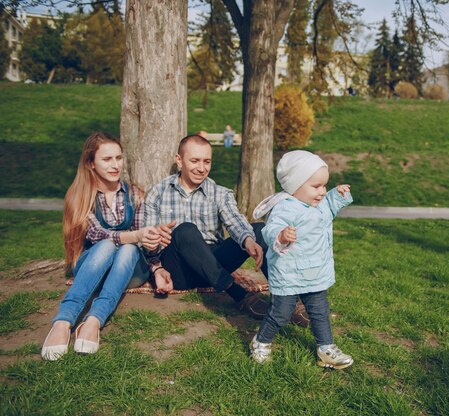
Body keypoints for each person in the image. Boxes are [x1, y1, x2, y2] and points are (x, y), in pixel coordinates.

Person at [143, 134, 308, 325]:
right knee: (186, 230)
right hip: (178, 270)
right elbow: (147, 245)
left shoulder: (219, 193)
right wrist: (155, 238)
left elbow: (235, 220)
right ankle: (242, 296)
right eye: (194, 161)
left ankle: (288, 301)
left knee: (260, 230)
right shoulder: (158, 192)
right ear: (179, 161)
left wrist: (248, 240)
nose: (201, 168)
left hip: (213, 261)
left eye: (207, 161)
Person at [41, 132, 166, 361]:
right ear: (91, 163)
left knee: (129, 249)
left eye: (118, 158)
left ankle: (94, 320)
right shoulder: (80, 196)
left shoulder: (135, 194)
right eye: (107, 159)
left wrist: (152, 242)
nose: (115, 165)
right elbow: (98, 234)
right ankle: (63, 321)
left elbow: (144, 247)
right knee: (107, 245)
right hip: (92, 266)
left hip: (129, 270)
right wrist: (136, 235)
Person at [249, 150, 354, 370]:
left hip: (315, 273)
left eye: (325, 186)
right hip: (288, 272)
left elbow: (330, 207)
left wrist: (338, 194)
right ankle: (261, 342)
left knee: (320, 312)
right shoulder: (286, 207)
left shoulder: (320, 204)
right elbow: (271, 229)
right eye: (316, 187)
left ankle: (325, 348)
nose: (322, 192)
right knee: (281, 312)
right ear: (295, 185)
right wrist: (281, 235)